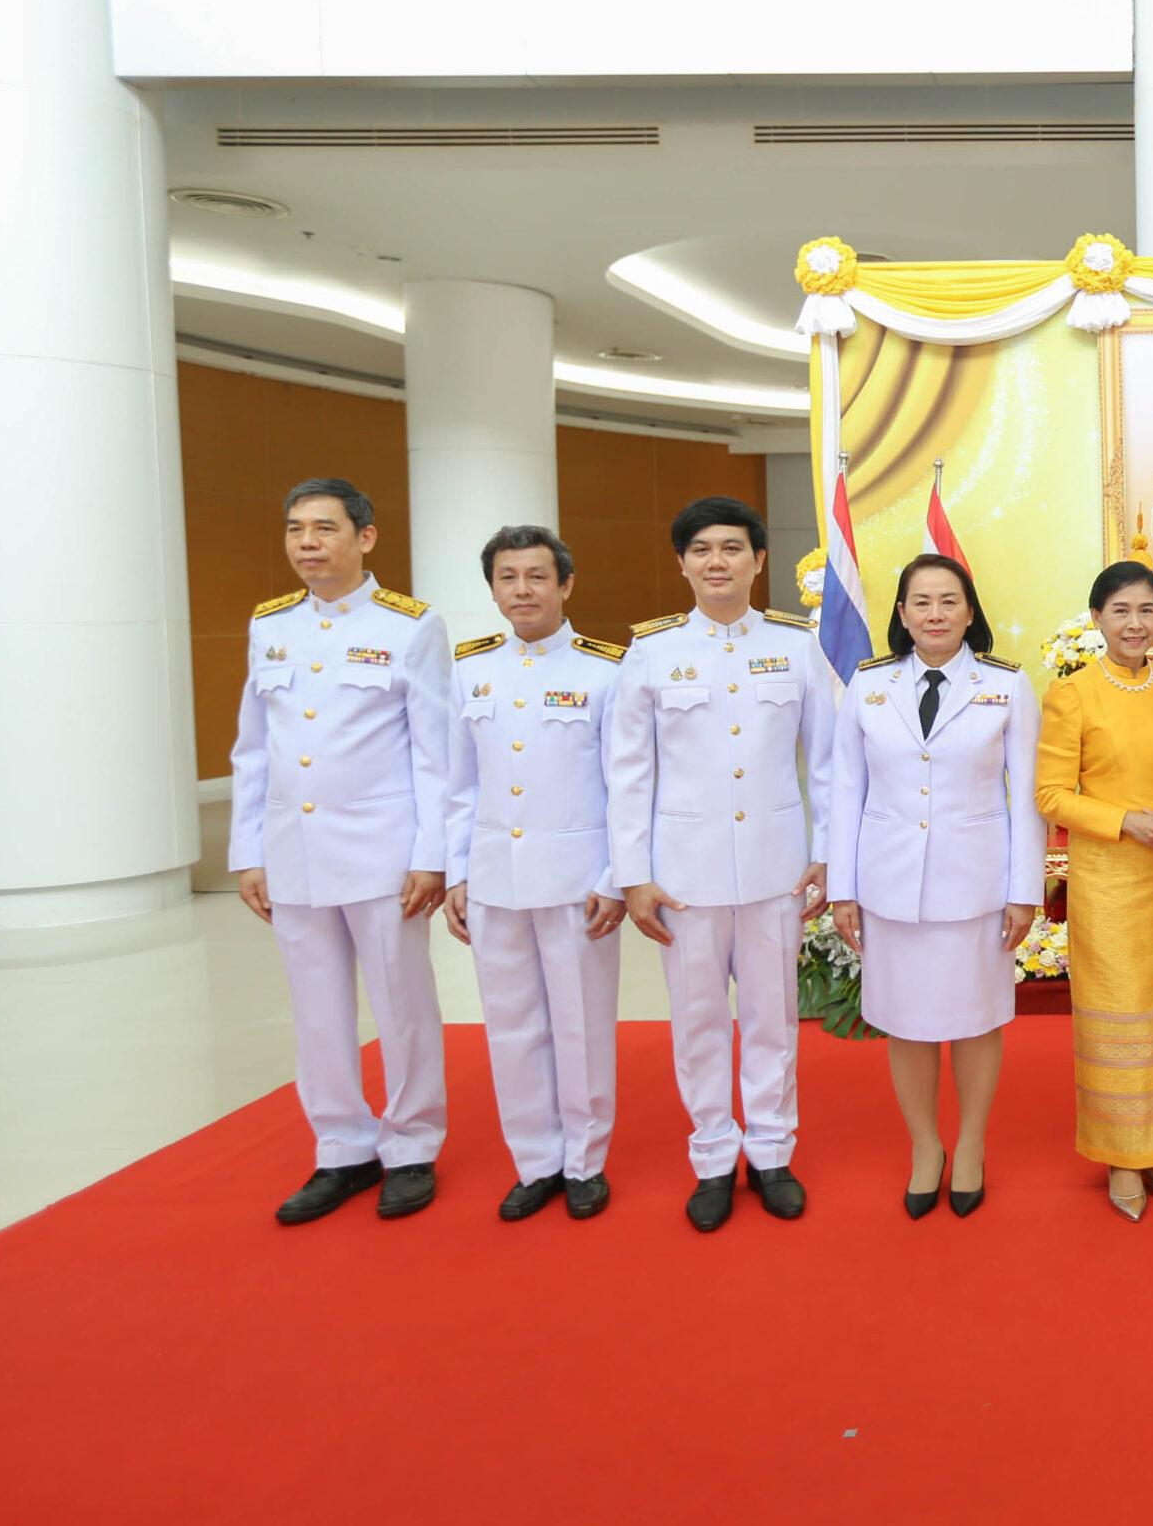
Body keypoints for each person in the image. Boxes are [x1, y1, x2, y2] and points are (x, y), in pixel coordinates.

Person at [606, 495, 832, 1232]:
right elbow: (628, 772)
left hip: (775, 869)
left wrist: (826, 853)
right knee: (698, 1022)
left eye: (732, 548)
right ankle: (710, 1157)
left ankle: (771, 1152)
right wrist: (633, 875)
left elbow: (827, 762)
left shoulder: (796, 646)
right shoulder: (651, 652)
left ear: (758, 559)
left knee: (773, 1019)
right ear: (682, 563)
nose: (717, 562)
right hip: (684, 875)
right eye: (701, 550)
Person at [230, 478, 451, 1224]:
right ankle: (342, 1148)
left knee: (402, 1002)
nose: (307, 543)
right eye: (296, 529)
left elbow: (435, 752)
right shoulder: (271, 625)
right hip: (294, 849)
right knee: (316, 1010)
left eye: (324, 528)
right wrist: (248, 850)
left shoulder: (411, 626)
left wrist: (431, 854)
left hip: (382, 852)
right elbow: (253, 748)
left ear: (366, 537)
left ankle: (412, 1143)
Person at [829, 554, 1043, 1221]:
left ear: (970, 610)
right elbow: (845, 790)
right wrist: (842, 888)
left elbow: (1027, 797)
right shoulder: (868, 685)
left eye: (949, 601)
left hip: (975, 885)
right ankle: (926, 1146)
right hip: (889, 886)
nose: (935, 614)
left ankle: (971, 1144)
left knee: (976, 1021)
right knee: (907, 1023)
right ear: (901, 613)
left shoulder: (1006, 685)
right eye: (920, 602)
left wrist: (1024, 890)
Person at [442, 526, 627, 1222]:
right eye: (508, 577)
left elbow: (625, 786)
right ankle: (535, 1161)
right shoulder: (470, 671)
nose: (522, 590)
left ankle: (584, 1161)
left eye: (537, 576)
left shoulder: (605, 671)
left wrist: (616, 876)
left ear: (565, 585)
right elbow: (459, 785)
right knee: (511, 1026)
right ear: (493, 588)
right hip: (495, 877)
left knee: (581, 1024)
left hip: (579, 881)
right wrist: (457, 872)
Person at [1032, 561, 1153, 1222]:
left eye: (1147, 610)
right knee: (1115, 1012)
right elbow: (1052, 794)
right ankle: (1120, 1154)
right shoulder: (1072, 693)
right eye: (1121, 610)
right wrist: (1128, 821)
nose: (1135, 623)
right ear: (1097, 618)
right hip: (1108, 876)